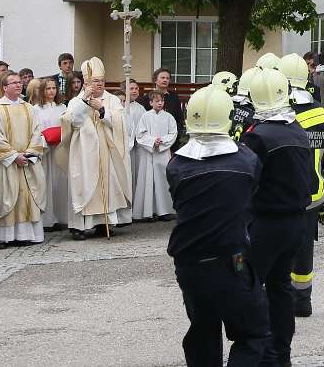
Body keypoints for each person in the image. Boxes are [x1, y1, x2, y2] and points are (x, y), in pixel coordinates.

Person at [166, 85, 272, 367]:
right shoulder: (246, 160)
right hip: (230, 260)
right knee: (253, 334)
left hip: (188, 262)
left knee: (203, 332)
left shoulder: (176, 164)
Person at [240, 66, 313, 365]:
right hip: (295, 221)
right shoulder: (296, 129)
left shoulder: (257, 135)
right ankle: (281, 353)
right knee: (281, 287)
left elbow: (246, 180)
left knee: (251, 286)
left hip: (266, 221)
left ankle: (257, 352)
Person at [279, 54, 324, 317]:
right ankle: (304, 301)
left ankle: (283, 300)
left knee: (282, 249)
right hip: (314, 192)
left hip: (285, 192)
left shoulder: (281, 113)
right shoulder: (319, 111)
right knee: (305, 250)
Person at [0, 70, 47, 248]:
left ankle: (24, 235)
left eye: (19, 82)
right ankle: (2, 237)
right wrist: (14, 156)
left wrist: (29, 153)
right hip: (5, 162)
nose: (18, 85)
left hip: (26, 162)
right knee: (5, 197)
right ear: (5, 87)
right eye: (14, 83)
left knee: (26, 197)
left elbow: (37, 133)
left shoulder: (28, 108)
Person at [63, 57, 133, 239]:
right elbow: (72, 121)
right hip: (84, 151)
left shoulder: (112, 100)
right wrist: (85, 100)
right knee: (83, 183)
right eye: (95, 81)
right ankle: (79, 226)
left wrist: (103, 110)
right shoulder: (77, 100)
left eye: (102, 81)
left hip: (106, 150)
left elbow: (120, 122)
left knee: (107, 184)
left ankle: (104, 223)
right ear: (86, 82)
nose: (100, 84)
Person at [29, 76, 69, 230]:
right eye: (48, 88)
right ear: (42, 91)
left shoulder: (62, 107)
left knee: (61, 183)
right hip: (45, 151)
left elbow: (68, 126)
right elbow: (34, 131)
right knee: (45, 183)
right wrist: (46, 139)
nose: (51, 91)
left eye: (54, 88)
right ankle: (47, 219)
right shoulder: (35, 109)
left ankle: (62, 217)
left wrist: (62, 135)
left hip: (60, 149)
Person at [134, 90, 177, 221]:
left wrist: (162, 141)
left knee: (162, 181)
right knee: (148, 180)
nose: (160, 103)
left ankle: (164, 211)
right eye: (157, 101)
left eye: (162, 101)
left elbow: (173, 133)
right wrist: (153, 141)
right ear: (151, 102)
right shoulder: (145, 116)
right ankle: (148, 212)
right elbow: (140, 134)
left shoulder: (169, 117)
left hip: (162, 153)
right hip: (149, 152)